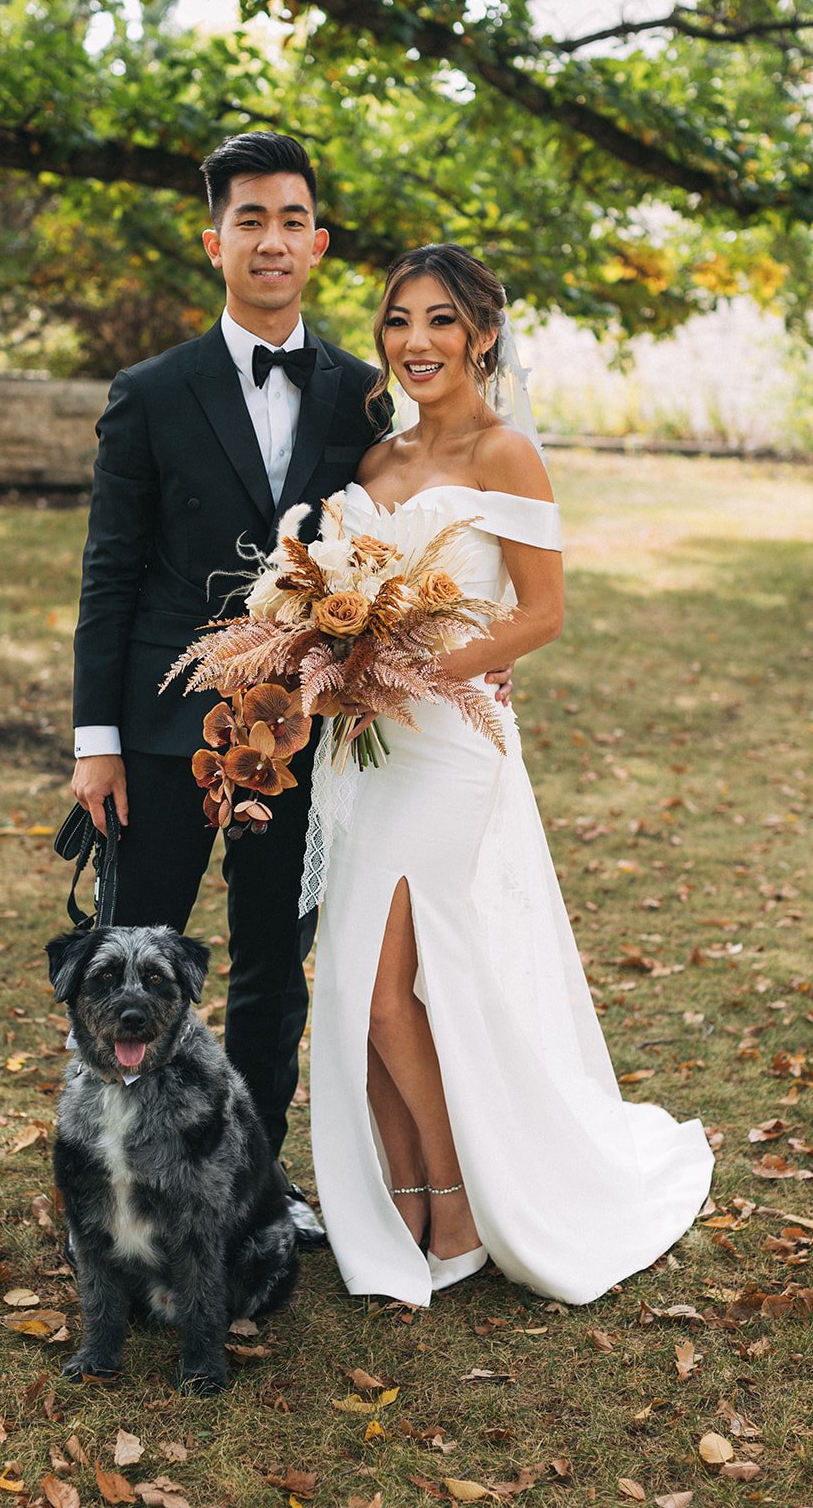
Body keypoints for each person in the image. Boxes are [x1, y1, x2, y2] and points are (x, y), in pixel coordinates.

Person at [71, 133, 509, 1244]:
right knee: (135, 961)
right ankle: (127, 1181)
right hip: (165, 735)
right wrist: (96, 739)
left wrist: (465, 637)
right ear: (213, 237)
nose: (271, 239)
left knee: (275, 966)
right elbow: (108, 572)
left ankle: (250, 1190)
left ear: (317, 242)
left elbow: (417, 537)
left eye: (291, 220)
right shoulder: (149, 392)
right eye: (248, 219)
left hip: (304, 738)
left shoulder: (366, 400)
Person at [309, 243, 714, 1304]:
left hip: (449, 746)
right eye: (397, 321)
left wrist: (413, 670)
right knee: (356, 988)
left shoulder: (505, 454)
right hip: (367, 753)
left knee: (394, 995)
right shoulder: (374, 466)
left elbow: (540, 612)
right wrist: (329, 657)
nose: (414, 343)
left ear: (480, 334)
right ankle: (397, 1196)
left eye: (439, 321)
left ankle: (457, 1202)